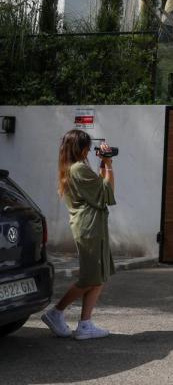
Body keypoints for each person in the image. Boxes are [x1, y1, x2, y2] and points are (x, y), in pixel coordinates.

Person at [40, 129, 116, 340]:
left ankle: (85, 324)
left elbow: (99, 189)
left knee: (99, 275)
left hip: (92, 226)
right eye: (88, 147)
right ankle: (56, 312)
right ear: (81, 148)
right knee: (90, 277)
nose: (90, 151)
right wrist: (109, 164)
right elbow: (107, 194)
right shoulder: (79, 169)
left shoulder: (73, 168)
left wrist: (102, 165)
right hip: (89, 227)